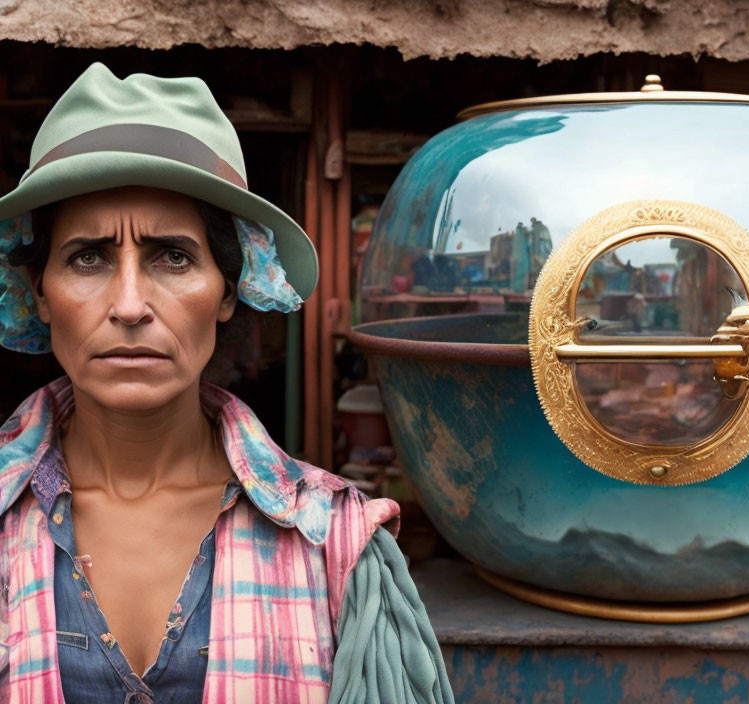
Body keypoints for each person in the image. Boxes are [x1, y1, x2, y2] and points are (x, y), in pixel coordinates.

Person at [0, 63, 454, 703]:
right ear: (38, 292)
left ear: (230, 290)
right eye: (88, 257)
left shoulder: (335, 546)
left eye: (174, 257)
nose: (130, 304)